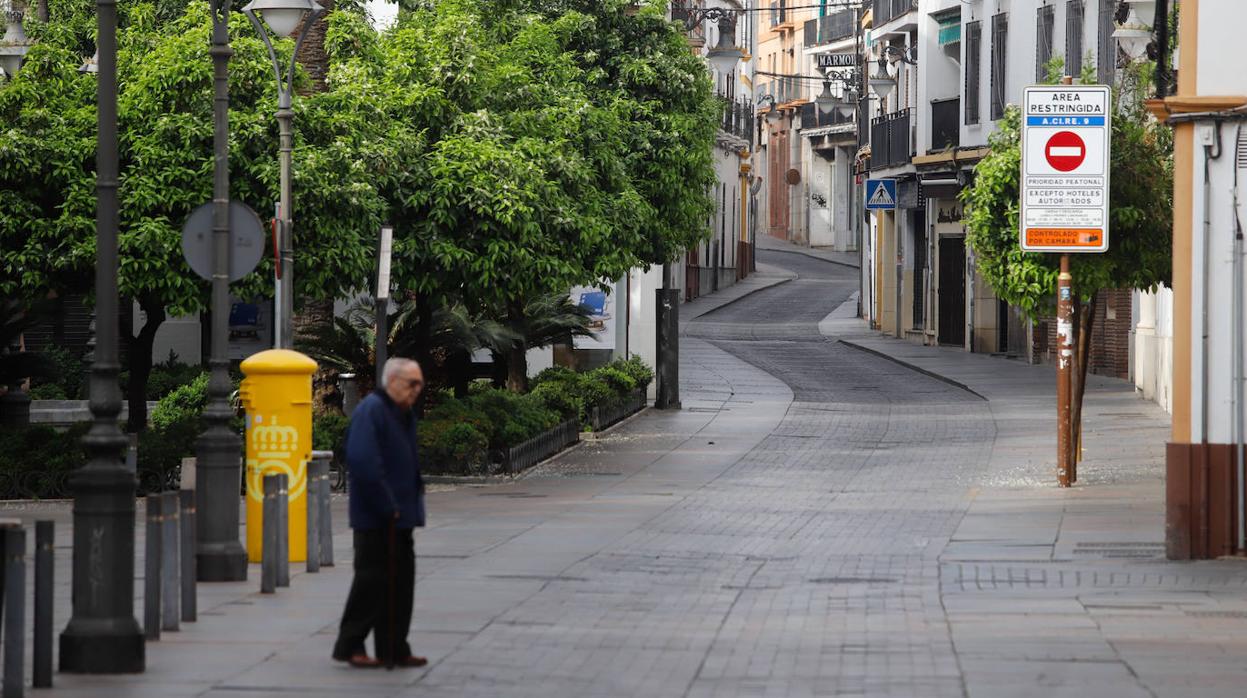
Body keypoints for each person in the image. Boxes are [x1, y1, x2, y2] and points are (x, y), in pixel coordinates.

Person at [332, 357, 428, 669]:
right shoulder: (372, 410)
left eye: (419, 384)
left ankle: (394, 647)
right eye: (411, 383)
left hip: (401, 516)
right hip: (377, 517)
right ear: (393, 381)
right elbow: (363, 462)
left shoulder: (403, 413)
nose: (417, 390)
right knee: (371, 583)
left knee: (400, 585)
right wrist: (388, 504)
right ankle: (351, 645)